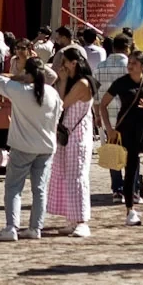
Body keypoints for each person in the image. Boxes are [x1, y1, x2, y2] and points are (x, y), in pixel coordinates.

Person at [0, 45, 62, 242]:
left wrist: (18, 76)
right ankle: (35, 227)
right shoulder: (51, 93)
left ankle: (11, 227)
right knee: (39, 189)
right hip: (46, 146)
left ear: (28, 74)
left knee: (13, 187)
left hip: (23, 145)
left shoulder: (19, 90)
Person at [102, 50, 143, 227]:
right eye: (129, 63)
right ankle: (130, 210)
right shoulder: (121, 83)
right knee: (131, 169)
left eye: (134, 64)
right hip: (128, 130)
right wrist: (109, 129)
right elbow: (103, 105)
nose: (129, 66)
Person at [45, 46, 98, 236]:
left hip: (78, 135)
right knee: (67, 175)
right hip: (68, 133)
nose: (62, 66)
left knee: (77, 176)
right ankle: (72, 218)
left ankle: (82, 220)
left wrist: (64, 80)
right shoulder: (75, 81)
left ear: (74, 63)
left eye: (65, 62)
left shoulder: (83, 83)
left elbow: (61, 104)